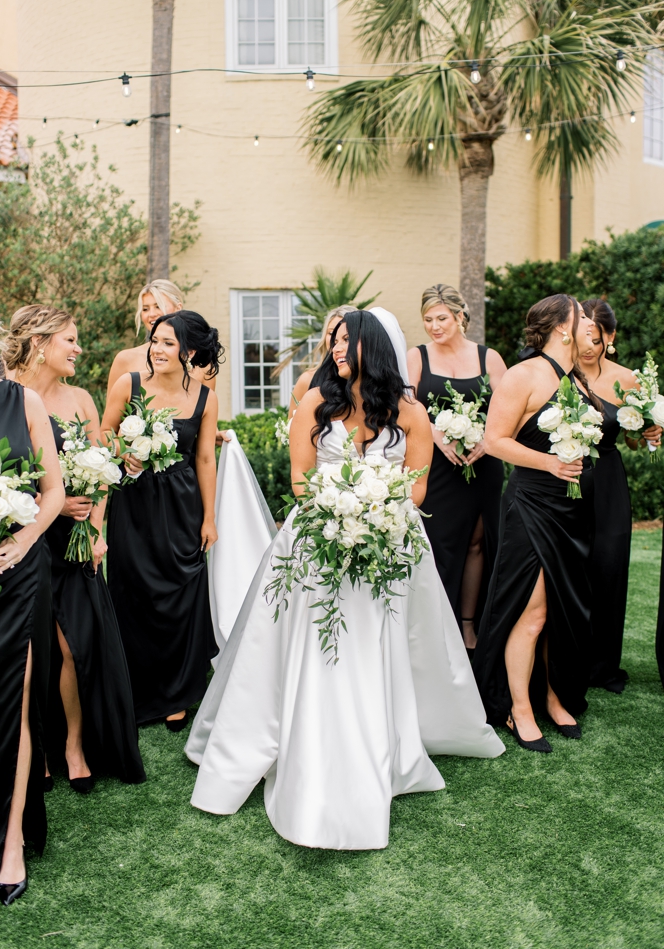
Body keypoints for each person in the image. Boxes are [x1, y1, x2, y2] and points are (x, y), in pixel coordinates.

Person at [188, 308, 504, 849]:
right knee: (312, 642)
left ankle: (379, 741)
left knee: (375, 642)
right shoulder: (316, 401)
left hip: (387, 539)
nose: (336, 349)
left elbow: (419, 488)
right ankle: (301, 739)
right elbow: (298, 478)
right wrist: (340, 508)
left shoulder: (410, 413)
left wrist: (374, 508)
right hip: (316, 538)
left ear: (371, 346)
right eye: (333, 342)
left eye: (345, 341)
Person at [6, 306, 144, 791]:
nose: (79, 349)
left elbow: (103, 472)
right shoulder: (5, 398)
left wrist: (97, 531)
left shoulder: (82, 399)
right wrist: (51, 505)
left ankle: (74, 744)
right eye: (70, 339)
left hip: (78, 542)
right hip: (25, 539)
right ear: (41, 343)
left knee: (73, 646)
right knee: (31, 648)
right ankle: (37, 747)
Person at [0, 279, 64, 905]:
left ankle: (10, 846)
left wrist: (26, 540)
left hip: (20, 573)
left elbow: (53, 490)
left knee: (15, 703)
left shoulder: (20, 399)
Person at [474, 294, 594, 750]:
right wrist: (549, 465)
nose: (587, 322)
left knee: (559, 613)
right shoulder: (524, 375)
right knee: (533, 612)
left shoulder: (576, 378)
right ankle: (517, 708)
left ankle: (552, 696)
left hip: (572, 508)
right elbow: (494, 440)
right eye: (581, 317)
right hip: (532, 506)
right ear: (563, 328)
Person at [101, 310, 221, 732]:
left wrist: (209, 517)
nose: (157, 349)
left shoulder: (205, 396)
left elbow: (205, 457)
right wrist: (122, 450)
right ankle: (135, 688)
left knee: (182, 593)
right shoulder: (128, 385)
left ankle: (178, 693)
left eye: (168, 343)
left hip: (182, 505)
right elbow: (104, 432)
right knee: (133, 591)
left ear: (189, 351)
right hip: (134, 503)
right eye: (155, 341)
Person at [407, 283, 507, 646]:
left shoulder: (489, 358)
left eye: (442, 318)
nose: (434, 326)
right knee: (440, 543)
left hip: (484, 464)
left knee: (479, 542)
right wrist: (434, 433)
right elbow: (404, 405)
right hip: (437, 466)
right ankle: (437, 629)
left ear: (461, 317)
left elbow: (506, 406)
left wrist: (488, 438)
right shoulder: (416, 357)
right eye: (428, 319)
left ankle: (469, 624)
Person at [577, 298, 660, 692]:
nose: (589, 345)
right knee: (572, 567)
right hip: (568, 477)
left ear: (610, 337)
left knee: (609, 565)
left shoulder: (627, 379)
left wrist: (648, 432)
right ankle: (568, 657)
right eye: (583, 336)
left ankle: (604, 665)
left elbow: (629, 437)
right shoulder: (559, 374)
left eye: (596, 337)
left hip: (608, 480)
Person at [105, 277, 187, 402]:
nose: (151, 314)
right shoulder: (124, 360)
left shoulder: (201, 362)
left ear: (178, 308)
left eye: (158, 306)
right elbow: (111, 417)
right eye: (145, 309)